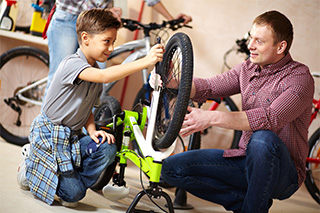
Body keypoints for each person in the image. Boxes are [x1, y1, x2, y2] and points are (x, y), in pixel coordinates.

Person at [156, 10, 314, 212]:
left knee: (262, 138)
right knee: (172, 169)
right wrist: (173, 82)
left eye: (259, 41)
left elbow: (270, 118)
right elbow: (209, 87)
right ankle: (247, 205)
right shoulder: (247, 68)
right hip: (245, 159)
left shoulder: (299, 77)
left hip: (284, 174)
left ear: (280, 47)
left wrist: (211, 117)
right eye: (250, 37)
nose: (250, 46)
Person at [17, 8, 164, 207]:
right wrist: (145, 61)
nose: (111, 48)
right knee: (74, 195)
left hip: (72, 138)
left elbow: (87, 111)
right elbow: (105, 76)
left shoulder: (94, 74)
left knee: (107, 148)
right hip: (50, 135)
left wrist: (93, 131)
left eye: (113, 42)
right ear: (85, 38)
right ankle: (29, 168)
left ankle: (67, 177)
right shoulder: (72, 64)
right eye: (107, 41)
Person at [44, 0, 192, 99]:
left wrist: (171, 19)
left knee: (96, 86)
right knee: (58, 77)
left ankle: (87, 136)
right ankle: (44, 133)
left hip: (96, 23)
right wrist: (103, 11)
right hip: (67, 18)